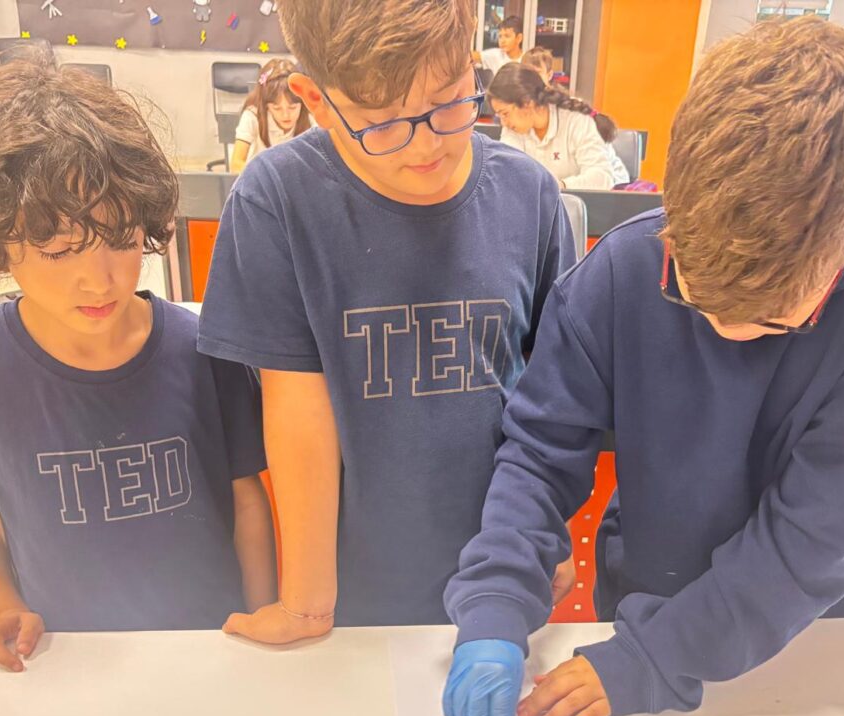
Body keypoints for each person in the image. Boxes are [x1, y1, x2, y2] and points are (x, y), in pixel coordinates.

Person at [441, 17, 844, 716]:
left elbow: (810, 543)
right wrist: (496, 601)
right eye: (693, 296)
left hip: (813, 642)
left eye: (774, 319)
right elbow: (540, 452)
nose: (727, 331)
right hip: (649, 604)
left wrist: (653, 658)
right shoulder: (626, 267)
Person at [197, 0, 576, 644]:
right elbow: (297, 404)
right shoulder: (277, 198)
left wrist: (548, 529)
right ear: (316, 101)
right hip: (360, 586)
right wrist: (309, 602)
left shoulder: (529, 194)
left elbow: (553, 394)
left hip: (503, 564)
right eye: (381, 124)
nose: (426, 144)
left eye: (448, 103)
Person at [0, 61, 277, 697]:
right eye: (58, 250)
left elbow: (246, 496)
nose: (99, 278)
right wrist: (2, 606)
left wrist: (262, 618)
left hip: (211, 652)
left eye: (120, 238)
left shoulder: (206, 352)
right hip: (67, 661)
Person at [489, 62, 613, 190]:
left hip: (578, 201)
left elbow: (602, 177)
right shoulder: (511, 129)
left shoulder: (575, 120)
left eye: (505, 113)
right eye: (499, 116)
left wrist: (561, 185)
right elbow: (507, 173)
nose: (503, 123)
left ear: (527, 103)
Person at [520, 47, 631, 187]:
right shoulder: (519, 112)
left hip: (613, 186)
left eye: (537, 73)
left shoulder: (572, 113)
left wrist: (561, 185)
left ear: (549, 75)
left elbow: (600, 176)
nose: (531, 80)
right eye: (526, 74)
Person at [231, 58, 310, 173]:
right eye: (276, 108)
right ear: (266, 105)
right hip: (259, 179)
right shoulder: (253, 116)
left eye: (292, 107)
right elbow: (236, 164)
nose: (285, 115)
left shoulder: (311, 118)